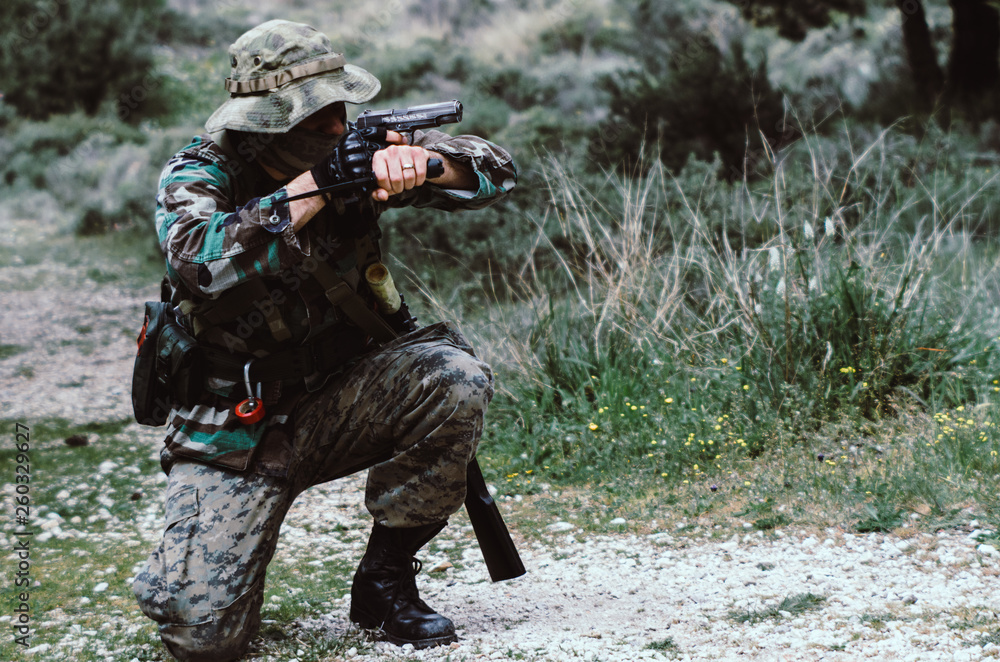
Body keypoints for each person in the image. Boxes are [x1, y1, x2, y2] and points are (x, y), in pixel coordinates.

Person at [131, 19, 516, 661]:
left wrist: (427, 164)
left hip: (344, 394)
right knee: (204, 640)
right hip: (237, 422)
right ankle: (184, 568)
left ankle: (384, 582)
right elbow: (197, 261)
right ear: (264, 121)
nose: (338, 128)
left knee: (454, 378)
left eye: (340, 109)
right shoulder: (200, 170)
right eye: (316, 118)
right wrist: (312, 189)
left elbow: (496, 170)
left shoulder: (352, 146)